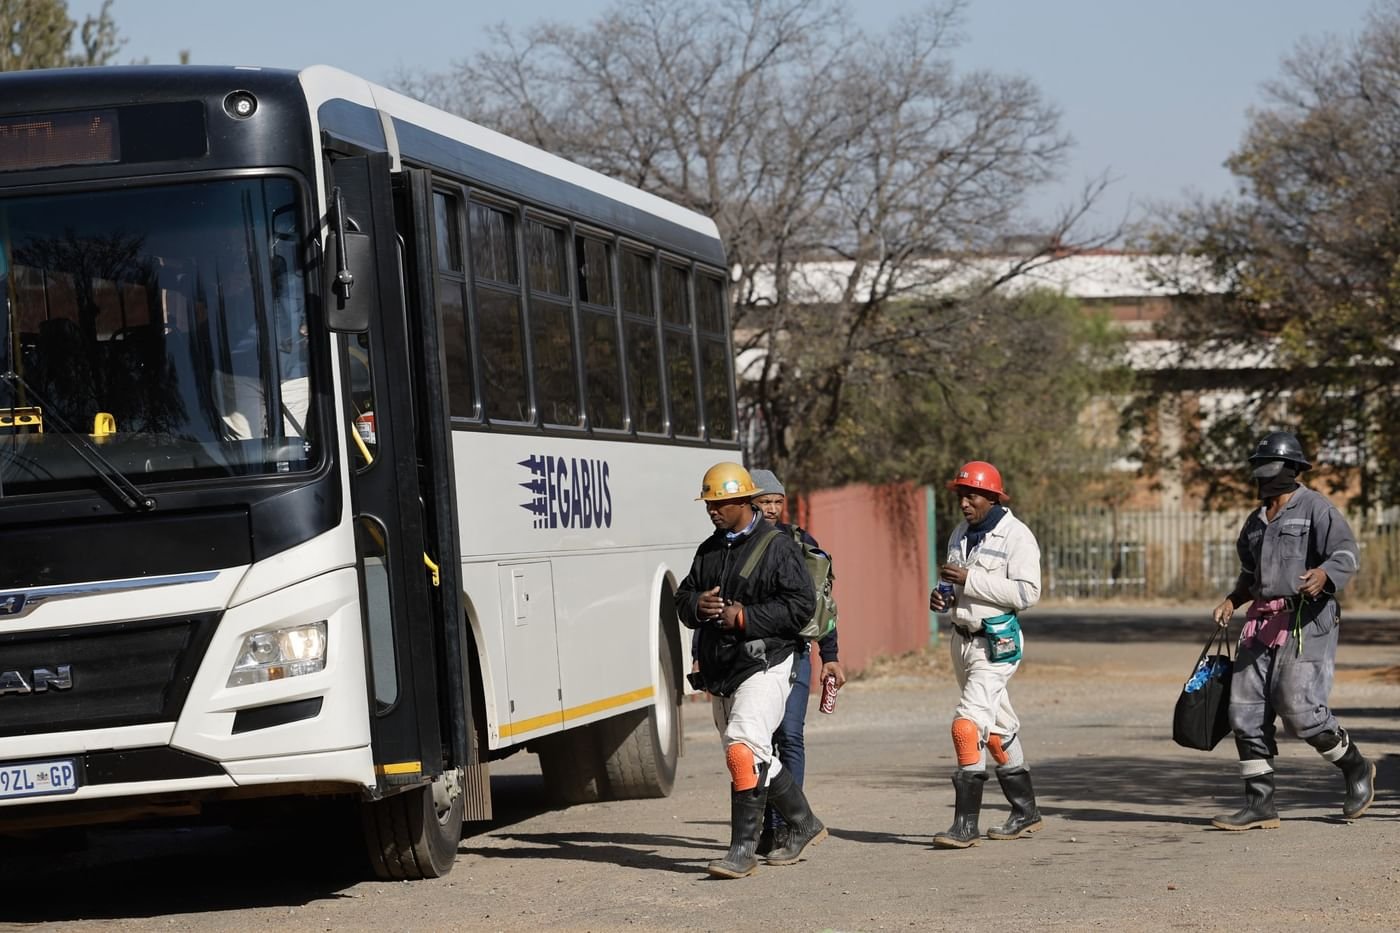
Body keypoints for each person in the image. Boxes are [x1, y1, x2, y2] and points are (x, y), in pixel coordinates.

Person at [1209, 431, 1374, 830]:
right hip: (1261, 622)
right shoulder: (1255, 521)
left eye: (1272, 470)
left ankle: (1356, 768)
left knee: (1299, 709)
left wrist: (1324, 573)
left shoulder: (1315, 507)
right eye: (1260, 471)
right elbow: (1252, 574)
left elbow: (1346, 552)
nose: (1264, 479)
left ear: (1293, 470)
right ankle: (1260, 803)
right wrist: (1234, 599)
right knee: (1243, 710)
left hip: (1308, 619)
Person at [676, 461, 827, 879]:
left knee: (743, 748)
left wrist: (746, 619)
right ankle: (803, 821)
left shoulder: (778, 547)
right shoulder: (708, 548)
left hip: (767, 663)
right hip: (722, 669)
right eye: (709, 504)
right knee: (750, 751)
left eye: (720, 503)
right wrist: (696, 605)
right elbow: (683, 597)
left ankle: (742, 850)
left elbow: (801, 606)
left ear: (743, 501)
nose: (712, 511)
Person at [928, 460, 1043, 849]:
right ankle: (1026, 812)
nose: (964, 503)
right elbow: (952, 581)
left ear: (993, 497)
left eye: (972, 495)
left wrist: (971, 580)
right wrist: (943, 594)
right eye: (961, 495)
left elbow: (1028, 594)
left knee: (967, 725)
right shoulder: (960, 533)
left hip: (997, 642)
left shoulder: (1017, 537)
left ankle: (965, 826)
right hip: (961, 640)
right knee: (997, 728)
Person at [747, 468, 845, 857]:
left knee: (789, 736)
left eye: (776, 501)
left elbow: (822, 603)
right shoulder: (736, 545)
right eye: (763, 501)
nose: (771, 509)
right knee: (758, 741)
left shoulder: (801, 542)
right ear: (749, 504)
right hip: (753, 656)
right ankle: (764, 829)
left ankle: (791, 826)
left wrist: (831, 655)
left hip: (797, 653)